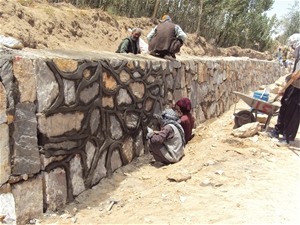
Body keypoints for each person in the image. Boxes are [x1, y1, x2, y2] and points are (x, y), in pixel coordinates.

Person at [271, 33, 300, 146]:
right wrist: (284, 87)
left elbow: (296, 75)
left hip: (298, 88)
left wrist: (285, 86)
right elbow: (293, 75)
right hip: (293, 85)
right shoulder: (298, 56)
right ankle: (278, 130)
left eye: (293, 47)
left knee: (293, 112)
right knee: (285, 105)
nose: (292, 49)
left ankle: (286, 137)